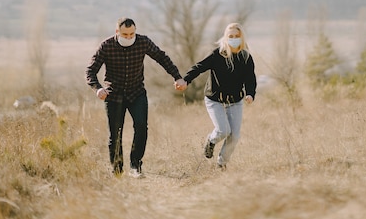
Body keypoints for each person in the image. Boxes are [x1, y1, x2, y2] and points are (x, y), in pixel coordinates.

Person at [86, 17, 184, 178]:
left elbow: (161, 57)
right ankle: (117, 170)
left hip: (136, 93)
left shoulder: (143, 42)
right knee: (115, 133)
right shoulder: (107, 46)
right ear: (117, 32)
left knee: (141, 127)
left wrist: (177, 77)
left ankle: (135, 166)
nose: (129, 37)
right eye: (125, 34)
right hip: (114, 95)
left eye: (132, 34)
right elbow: (90, 71)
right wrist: (97, 89)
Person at [174, 22, 257, 170]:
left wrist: (250, 94)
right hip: (215, 100)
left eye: (237, 36)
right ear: (225, 37)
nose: (233, 39)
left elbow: (250, 79)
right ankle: (211, 142)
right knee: (223, 130)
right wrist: (186, 80)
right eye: (230, 36)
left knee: (235, 135)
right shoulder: (217, 54)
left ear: (242, 37)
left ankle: (221, 163)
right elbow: (199, 67)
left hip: (235, 101)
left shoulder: (246, 58)